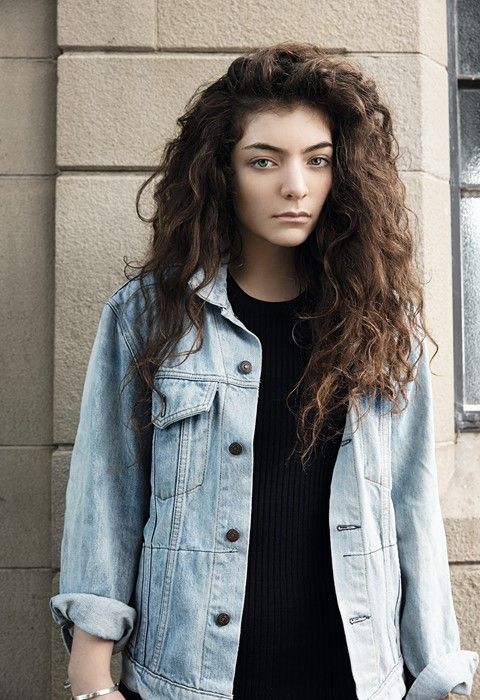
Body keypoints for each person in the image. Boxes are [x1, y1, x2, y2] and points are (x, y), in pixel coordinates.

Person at [49, 42, 479, 700]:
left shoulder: (381, 322)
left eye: (318, 162)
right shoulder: (148, 316)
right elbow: (106, 497)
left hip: (354, 676)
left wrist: (435, 675)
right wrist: (90, 679)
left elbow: (410, 506)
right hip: (189, 678)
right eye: (264, 161)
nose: (295, 187)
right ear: (223, 172)